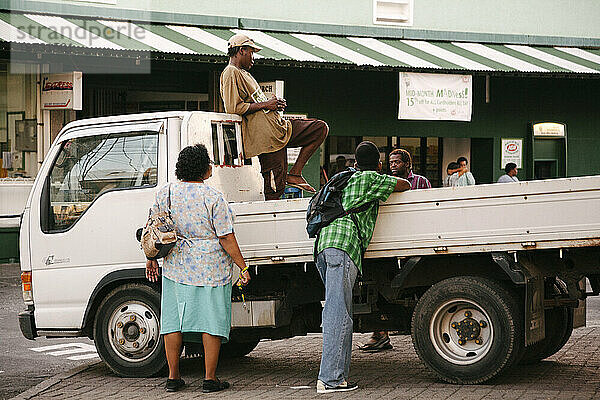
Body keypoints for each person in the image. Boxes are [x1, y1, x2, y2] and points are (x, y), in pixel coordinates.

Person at [145, 144, 251, 393]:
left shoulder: (166, 193)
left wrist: (150, 258)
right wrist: (243, 266)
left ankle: (173, 377)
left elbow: (153, 229)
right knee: (211, 321)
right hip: (211, 269)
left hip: (175, 267)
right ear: (204, 168)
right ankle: (210, 379)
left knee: (173, 322)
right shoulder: (213, 197)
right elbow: (226, 237)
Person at [315, 141, 411, 393]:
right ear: (379, 165)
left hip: (324, 246)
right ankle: (331, 380)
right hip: (344, 247)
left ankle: (336, 378)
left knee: (338, 310)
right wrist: (383, 175)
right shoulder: (371, 179)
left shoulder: (344, 178)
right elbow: (405, 184)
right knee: (338, 314)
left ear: (354, 163)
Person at [220, 33, 328, 200]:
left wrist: (272, 104)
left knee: (319, 128)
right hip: (266, 141)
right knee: (274, 190)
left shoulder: (244, 73)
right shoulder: (230, 72)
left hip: (279, 129)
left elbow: (257, 103)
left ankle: (296, 173)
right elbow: (233, 108)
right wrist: (266, 105)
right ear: (241, 50)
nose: (253, 58)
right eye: (251, 53)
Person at [360, 148, 431, 353]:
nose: (393, 166)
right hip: (390, 241)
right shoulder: (384, 182)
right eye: (390, 162)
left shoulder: (420, 182)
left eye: (397, 162)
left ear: (408, 164)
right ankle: (381, 334)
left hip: (414, 240)